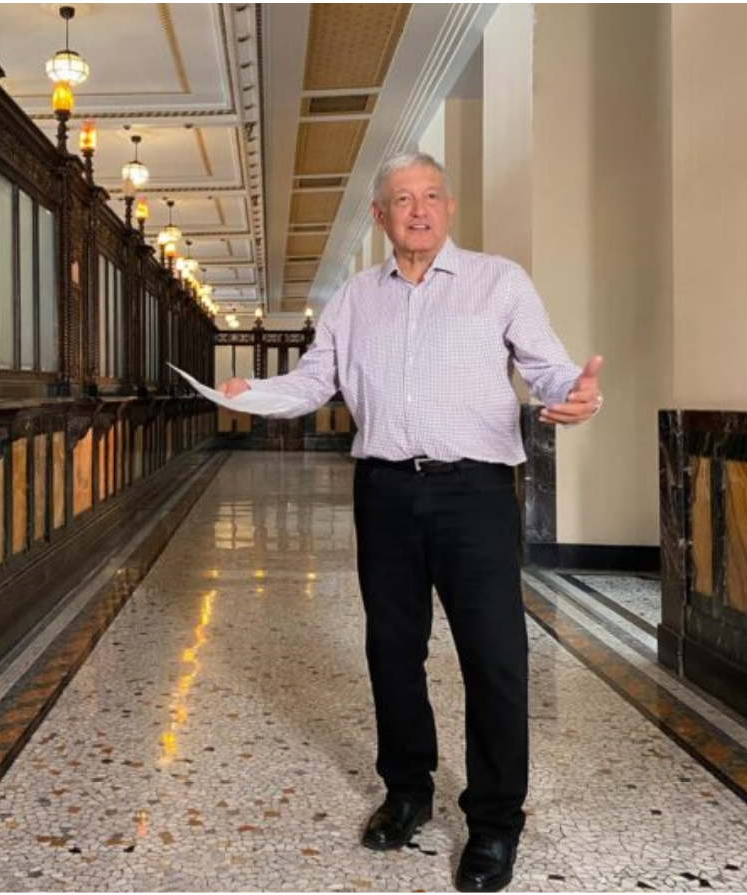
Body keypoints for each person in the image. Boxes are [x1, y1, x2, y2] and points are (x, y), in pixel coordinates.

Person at [220, 152, 603, 893]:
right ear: (380, 216)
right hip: (385, 490)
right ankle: (406, 792)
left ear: (448, 208)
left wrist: (577, 395)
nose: (418, 209)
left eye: (430, 196)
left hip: (474, 493)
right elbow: (315, 379)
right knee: (392, 650)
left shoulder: (498, 281)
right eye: (402, 198)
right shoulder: (354, 298)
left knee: (494, 655)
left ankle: (495, 821)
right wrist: (253, 393)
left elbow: (550, 368)